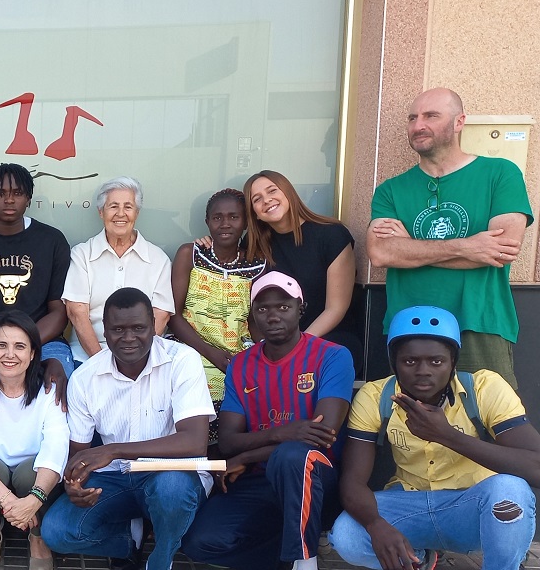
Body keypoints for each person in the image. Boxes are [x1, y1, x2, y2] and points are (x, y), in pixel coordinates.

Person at [330, 306, 540, 570]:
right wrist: (376, 525)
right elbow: (352, 482)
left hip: (473, 506)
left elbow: (536, 468)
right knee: (346, 534)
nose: (423, 370)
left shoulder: (485, 388)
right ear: (393, 362)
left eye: (436, 361)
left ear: (453, 362)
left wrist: (447, 435)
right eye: (410, 361)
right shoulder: (375, 396)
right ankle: (419, 557)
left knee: (510, 491)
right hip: (410, 503)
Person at [181, 272, 354, 570]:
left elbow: (323, 435)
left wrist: (248, 455)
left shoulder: (332, 356)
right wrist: (287, 432)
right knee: (200, 542)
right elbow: (228, 440)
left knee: (292, 457)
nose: (273, 316)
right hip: (259, 479)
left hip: (316, 480)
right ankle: (289, 555)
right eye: (262, 309)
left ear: (301, 308)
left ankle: (306, 561)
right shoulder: (242, 365)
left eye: (283, 307)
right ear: (252, 316)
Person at [367, 87, 532, 388]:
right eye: (412, 118)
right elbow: (381, 253)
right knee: (413, 425)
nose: (418, 125)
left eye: (431, 116)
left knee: (489, 423)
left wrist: (410, 249)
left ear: (459, 122)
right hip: (409, 326)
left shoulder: (500, 174)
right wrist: (469, 246)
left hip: (479, 322)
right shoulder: (390, 190)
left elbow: (499, 251)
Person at [41, 288, 215, 570]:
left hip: (170, 474)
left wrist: (114, 450)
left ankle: (160, 558)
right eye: (118, 329)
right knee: (57, 532)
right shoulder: (85, 377)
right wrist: (73, 484)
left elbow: (195, 442)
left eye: (139, 328)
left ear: (154, 328)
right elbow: (80, 456)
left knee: (171, 490)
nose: (129, 337)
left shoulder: (182, 360)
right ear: (105, 332)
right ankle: (128, 542)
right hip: (116, 480)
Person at [0, 311, 69, 570]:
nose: (10, 354)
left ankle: (37, 536)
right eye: (2, 345)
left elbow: (56, 445)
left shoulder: (49, 391)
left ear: (32, 354)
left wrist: (35, 498)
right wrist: (10, 502)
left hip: (31, 476)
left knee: (33, 471)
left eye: (20, 346)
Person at [0, 163, 74, 376]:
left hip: (43, 340)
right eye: (0, 194)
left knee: (57, 385)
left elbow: (59, 311)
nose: (9, 200)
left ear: (28, 199)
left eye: (17, 193)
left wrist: (25, 339)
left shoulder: (52, 242)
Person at [168, 188, 265, 439]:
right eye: (217, 217)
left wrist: (258, 358)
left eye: (234, 217)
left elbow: (253, 322)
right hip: (191, 353)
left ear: (245, 221)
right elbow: (174, 315)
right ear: (207, 222)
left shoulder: (257, 265)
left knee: (229, 435)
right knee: (192, 431)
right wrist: (211, 353)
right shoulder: (190, 254)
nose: (225, 224)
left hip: (235, 360)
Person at [242, 170, 359, 362]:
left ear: (288, 192)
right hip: (275, 342)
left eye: (272, 191)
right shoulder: (253, 245)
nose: (267, 200)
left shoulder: (332, 235)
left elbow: (335, 308)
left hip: (328, 339)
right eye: (257, 199)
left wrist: (296, 347)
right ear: (254, 214)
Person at [64, 177, 174, 364]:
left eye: (128, 207)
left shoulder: (158, 259)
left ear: (137, 213)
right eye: (113, 206)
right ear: (101, 212)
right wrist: (102, 362)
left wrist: (133, 361)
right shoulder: (82, 254)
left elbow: (160, 316)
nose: (120, 214)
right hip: (88, 357)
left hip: (142, 359)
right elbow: (77, 313)